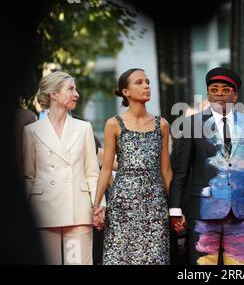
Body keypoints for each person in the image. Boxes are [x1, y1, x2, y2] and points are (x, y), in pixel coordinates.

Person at [169, 67, 244, 265]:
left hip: (241, 212)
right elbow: (181, 171)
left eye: (226, 90)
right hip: (203, 212)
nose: (219, 94)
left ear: (235, 94)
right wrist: (175, 209)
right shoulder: (192, 124)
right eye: (214, 89)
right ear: (208, 93)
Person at [22, 71, 105, 264]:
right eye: (71, 89)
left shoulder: (84, 128)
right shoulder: (31, 132)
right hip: (43, 211)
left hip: (78, 211)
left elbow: (92, 173)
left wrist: (99, 205)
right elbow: (29, 177)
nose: (77, 94)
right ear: (54, 94)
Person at [92, 68, 172, 265]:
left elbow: (166, 170)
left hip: (155, 205)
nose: (146, 85)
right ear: (125, 92)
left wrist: (176, 207)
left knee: (155, 258)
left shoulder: (161, 124)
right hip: (122, 205)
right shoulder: (114, 124)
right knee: (120, 257)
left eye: (147, 81)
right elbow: (106, 168)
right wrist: (97, 204)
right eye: (139, 82)